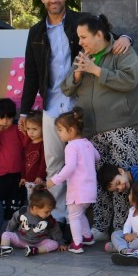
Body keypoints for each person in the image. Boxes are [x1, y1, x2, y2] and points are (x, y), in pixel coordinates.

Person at [22, 0, 131, 214]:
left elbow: (106, 35)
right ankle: (58, 217)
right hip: (51, 106)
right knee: (55, 165)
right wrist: (24, 110)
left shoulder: (79, 22)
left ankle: (83, 218)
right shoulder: (36, 32)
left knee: (85, 164)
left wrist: (126, 38)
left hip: (79, 105)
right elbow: (30, 72)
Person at [62, 13, 138, 237]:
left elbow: (132, 79)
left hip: (122, 127)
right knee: (97, 181)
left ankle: (121, 228)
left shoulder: (121, 50)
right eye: (78, 38)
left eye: (83, 37)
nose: (80, 42)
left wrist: (96, 70)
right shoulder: (82, 56)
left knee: (121, 182)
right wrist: (78, 74)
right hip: (91, 131)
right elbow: (66, 88)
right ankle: (100, 226)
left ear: (99, 34)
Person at [45, 108, 100, 253]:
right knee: (79, 214)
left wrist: (54, 180)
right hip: (90, 190)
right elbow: (97, 157)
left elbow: (69, 168)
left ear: (71, 130)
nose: (58, 133)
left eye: (60, 130)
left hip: (77, 190)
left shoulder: (71, 146)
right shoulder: (87, 143)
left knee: (73, 216)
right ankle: (87, 237)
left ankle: (77, 244)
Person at [0, 187, 64, 257]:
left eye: (50, 211)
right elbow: (13, 222)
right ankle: (4, 248)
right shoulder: (22, 212)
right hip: (21, 240)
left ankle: (35, 250)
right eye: (47, 212)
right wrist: (9, 231)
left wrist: (60, 242)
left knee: (54, 244)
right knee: (6, 234)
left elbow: (55, 230)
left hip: (39, 243)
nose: (49, 214)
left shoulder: (49, 219)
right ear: (35, 208)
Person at [0, 98, 25, 218]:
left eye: (9, 118)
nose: (5, 121)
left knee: (15, 198)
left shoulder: (16, 130)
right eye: (2, 117)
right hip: (1, 172)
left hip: (17, 170)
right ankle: (1, 221)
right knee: (2, 197)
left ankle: (14, 219)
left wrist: (24, 132)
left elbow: (25, 145)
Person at [20, 111, 47, 191]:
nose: (31, 132)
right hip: (28, 181)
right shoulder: (28, 143)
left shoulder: (43, 144)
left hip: (39, 181)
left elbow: (43, 162)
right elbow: (24, 161)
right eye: (28, 129)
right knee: (31, 201)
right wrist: (23, 176)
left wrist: (40, 176)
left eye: (34, 129)